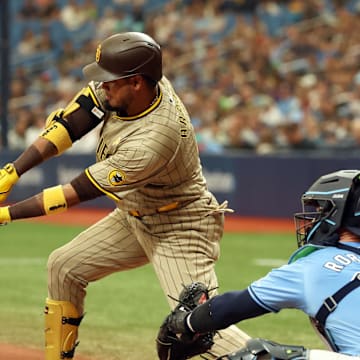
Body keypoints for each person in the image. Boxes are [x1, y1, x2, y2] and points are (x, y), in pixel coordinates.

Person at [0, 31, 250, 359]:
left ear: (136, 82)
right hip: (135, 213)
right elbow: (70, 124)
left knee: (198, 331)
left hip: (179, 226)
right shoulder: (134, 87)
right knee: (63, 267)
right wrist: (12, 171)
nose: (102, 86)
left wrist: (7, 214)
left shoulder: (155, 138)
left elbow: (74, 192)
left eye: (110, 81)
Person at [162, 169, 360, 359]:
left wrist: (185, 322)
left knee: (258, 356)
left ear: (339, 214)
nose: (316, 216)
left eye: (321, 209)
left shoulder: (314, 266)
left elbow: (234, 306)